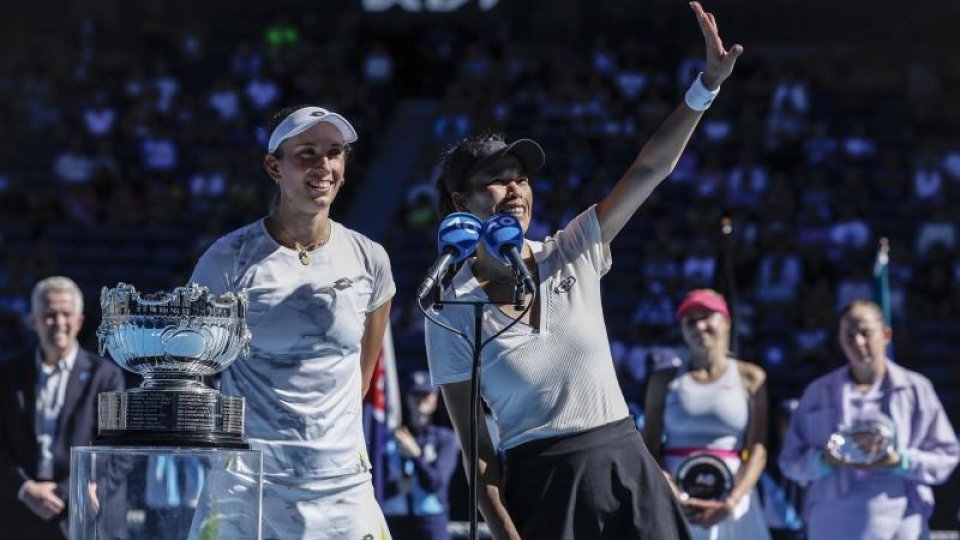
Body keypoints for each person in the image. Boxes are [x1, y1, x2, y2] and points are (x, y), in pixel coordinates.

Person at [424, 3, 742, 538]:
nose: (515, 190)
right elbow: (478, 457)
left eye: (521, 178)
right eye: (497, 180)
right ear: (461, 201)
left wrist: (705, 86)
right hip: (543, 489)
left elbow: (650, 168)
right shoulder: (450, 309)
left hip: (625, 467)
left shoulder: (572, 248)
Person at [189, 104, 396, 540]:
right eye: (307, 153)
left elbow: (362, 377)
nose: (324, 166)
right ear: (273, 167)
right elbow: (194, 375)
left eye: (334, 153)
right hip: (246, 485)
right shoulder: (227, 260)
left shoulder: (370, 259)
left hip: (342, 484)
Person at [778, 300, 960, 539]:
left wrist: (900, 461)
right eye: (849, 335)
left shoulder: (916, 388)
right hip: (832, 524)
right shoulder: (817, 392)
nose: (858, 342)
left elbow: (946, 457)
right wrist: (823, 460)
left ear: (886, 335)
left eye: (865, 333)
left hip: (900, 522)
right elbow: (789, 462)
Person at [0, 276, 126, 539]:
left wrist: (71, 489)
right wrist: (24, 488)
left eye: (66, 314)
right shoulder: (8, 376)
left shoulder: (106, 377)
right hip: (19, 517)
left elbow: (118, 448)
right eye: (49, 315)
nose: (59, 322)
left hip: (85, 517)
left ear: (79, 320)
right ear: (33, 320)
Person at [644, 289, 772, 539]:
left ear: (726, 322)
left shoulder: (752, 377)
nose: (699, 326)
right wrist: (672, 493)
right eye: (690, 321)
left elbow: (757, 449)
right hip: (675, 501)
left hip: (734, 501)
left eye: (706, 316)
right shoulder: (662, 380)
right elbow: (649, 446)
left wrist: (731, 502)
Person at [382, 371, 460, 540]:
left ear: (435, 399)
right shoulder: (390, 437)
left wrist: (415, 455)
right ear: (407, 398)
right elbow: (377, 483)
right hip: (394, 521)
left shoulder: (445, 439)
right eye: (416, 394)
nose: (421, 400)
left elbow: (437, 483)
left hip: (430, 522)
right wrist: (396, 487)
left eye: (426, 394)